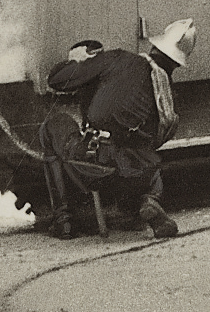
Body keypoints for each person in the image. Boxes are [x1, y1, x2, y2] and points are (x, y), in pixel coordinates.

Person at [40, 19, 197, 240]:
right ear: (178, 63)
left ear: (154, 46)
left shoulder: (119, 58)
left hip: (94, 164)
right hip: (137, 174)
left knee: (54, 125)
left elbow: (56, 81)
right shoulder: (166, 92)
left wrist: (77, 61)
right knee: (139, 158)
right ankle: (147, 201)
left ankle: (63, 220)